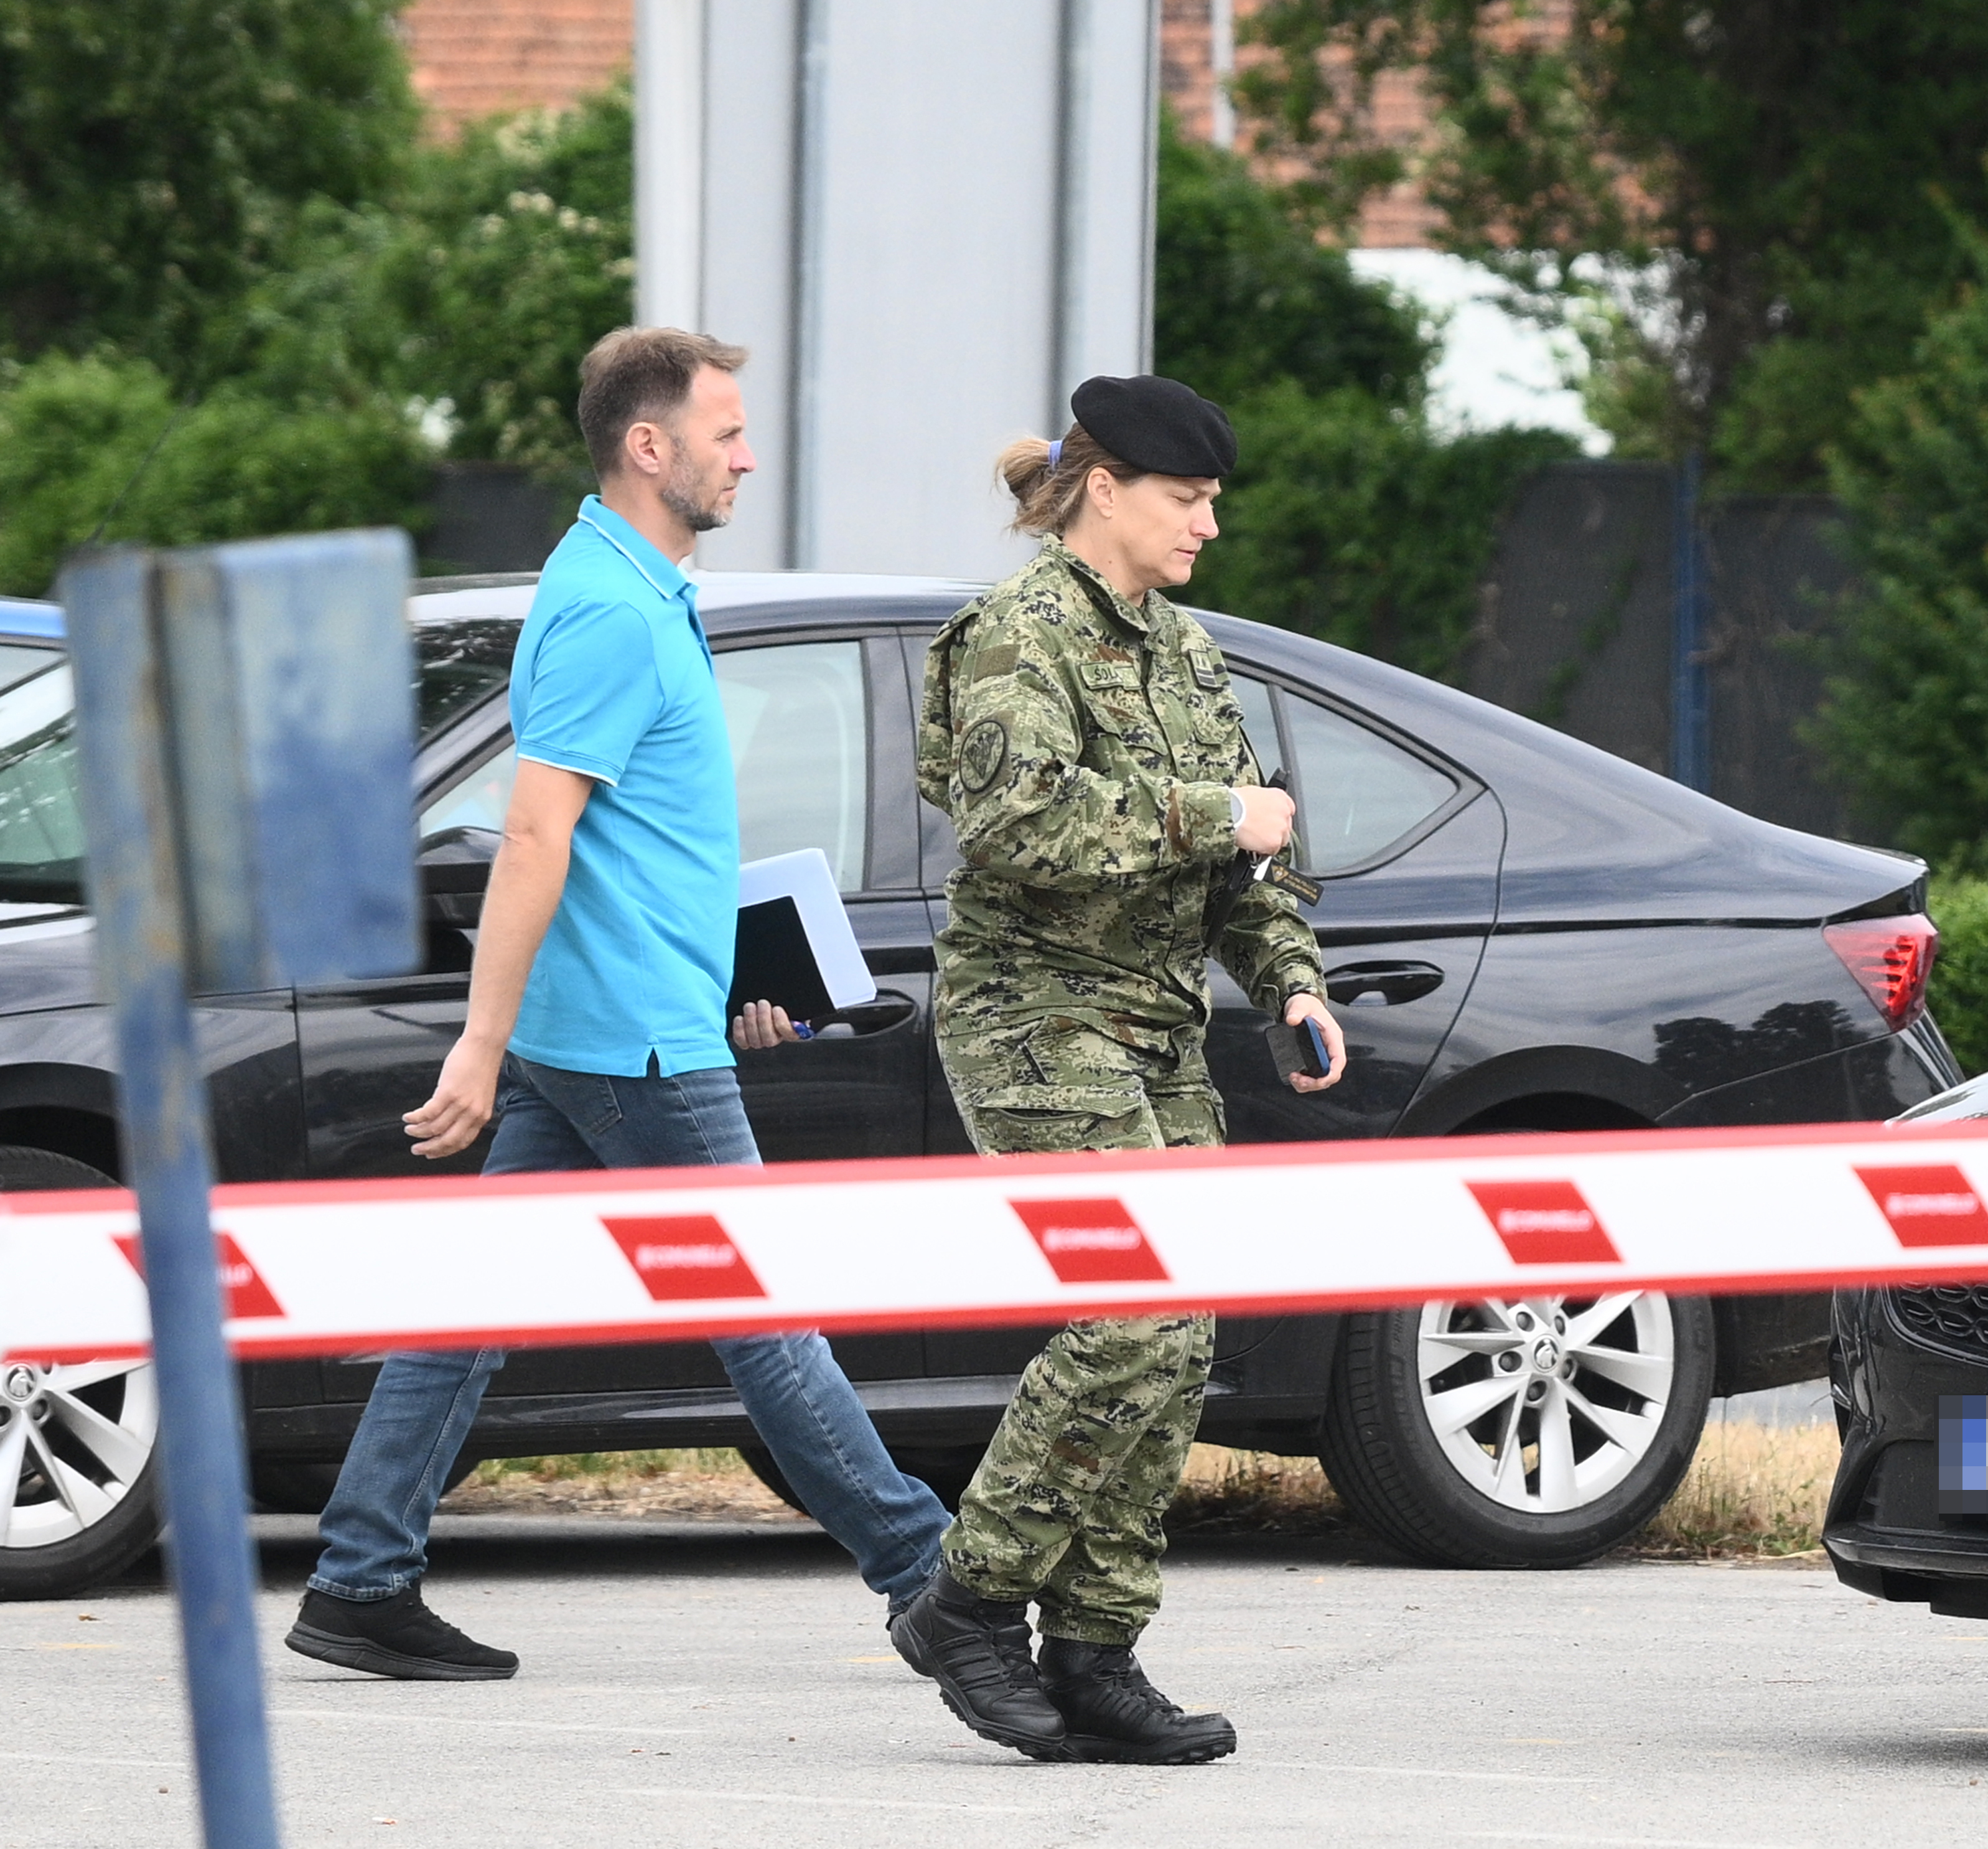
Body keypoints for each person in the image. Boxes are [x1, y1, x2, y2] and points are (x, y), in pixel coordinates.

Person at [283, 327, 954, 1681]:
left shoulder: (629, 586)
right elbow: (536, 833)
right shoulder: (607, 610)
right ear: (649, 446)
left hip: (618, 1019)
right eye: (726, 432)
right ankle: (936, 1582)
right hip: (632, 1041)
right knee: (766, 1324)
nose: (747, 456)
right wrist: (478, 1044)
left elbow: (633, 842)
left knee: (472, 1306)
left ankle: (359, 1575)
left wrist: (729, 979)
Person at [890, 375, 1341, 1764]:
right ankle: (968, 1601)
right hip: (1035, 1018)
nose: (1209, 524)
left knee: (1181, 1328)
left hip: (1156, 1026)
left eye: (1212, 502)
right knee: (1133, 1312)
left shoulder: (1188, 652)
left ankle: (1096, 1651)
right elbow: (1017, 822)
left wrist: (1291, 977)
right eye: (1187, 499)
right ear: (1106, 489)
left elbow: (1254, 859)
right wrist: (1218, 812)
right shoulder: (1016, 632)